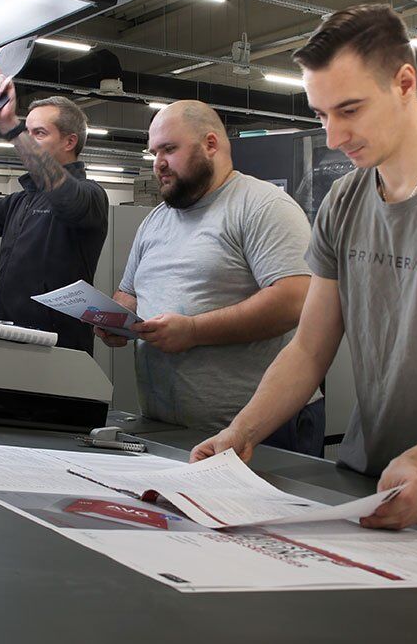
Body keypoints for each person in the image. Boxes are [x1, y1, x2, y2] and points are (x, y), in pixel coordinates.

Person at [191, 5, 417, 528]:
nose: (334, 136)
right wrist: (241, 433)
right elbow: (309, 349)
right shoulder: (344, 200)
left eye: (350, 110)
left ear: (404, 83)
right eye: (322, 115)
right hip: (371, 481)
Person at [95, 101, 322, 455]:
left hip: (258, 430)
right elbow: (130, 292)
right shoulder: (156, 220)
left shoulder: (262, 206)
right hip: (169, 428)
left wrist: (193, 331)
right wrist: (115, 320)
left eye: (169, 149)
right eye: (154, 153)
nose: (158, 163)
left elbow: (294, 300)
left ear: (210, 145)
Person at [0, 53, 107, 352]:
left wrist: (12, 126)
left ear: (70, 141)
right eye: (28, 131)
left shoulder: (91, 197)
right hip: (10, 339)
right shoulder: (22, 202)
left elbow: (65, 197)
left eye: (39, 133)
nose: (29, 139)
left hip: (58, 350)